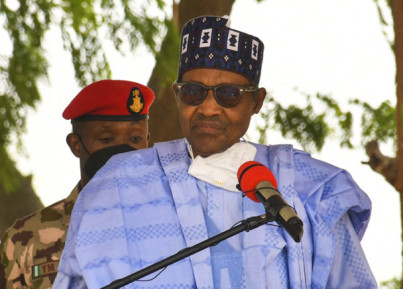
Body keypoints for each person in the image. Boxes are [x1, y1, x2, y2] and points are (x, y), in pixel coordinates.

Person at [53, 16, 377, 289]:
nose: (208, 108)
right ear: (178, 96)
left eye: (229, 95)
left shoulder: (312, 190)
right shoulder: (117, 184)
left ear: (257, 101)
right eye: (194, 92)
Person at [0, 80, 155, 289]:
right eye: (107, 139)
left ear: (148, 141)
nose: (122, 152)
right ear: (76, 145)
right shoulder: (24, 240)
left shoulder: (178, 227)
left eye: (135, 139)